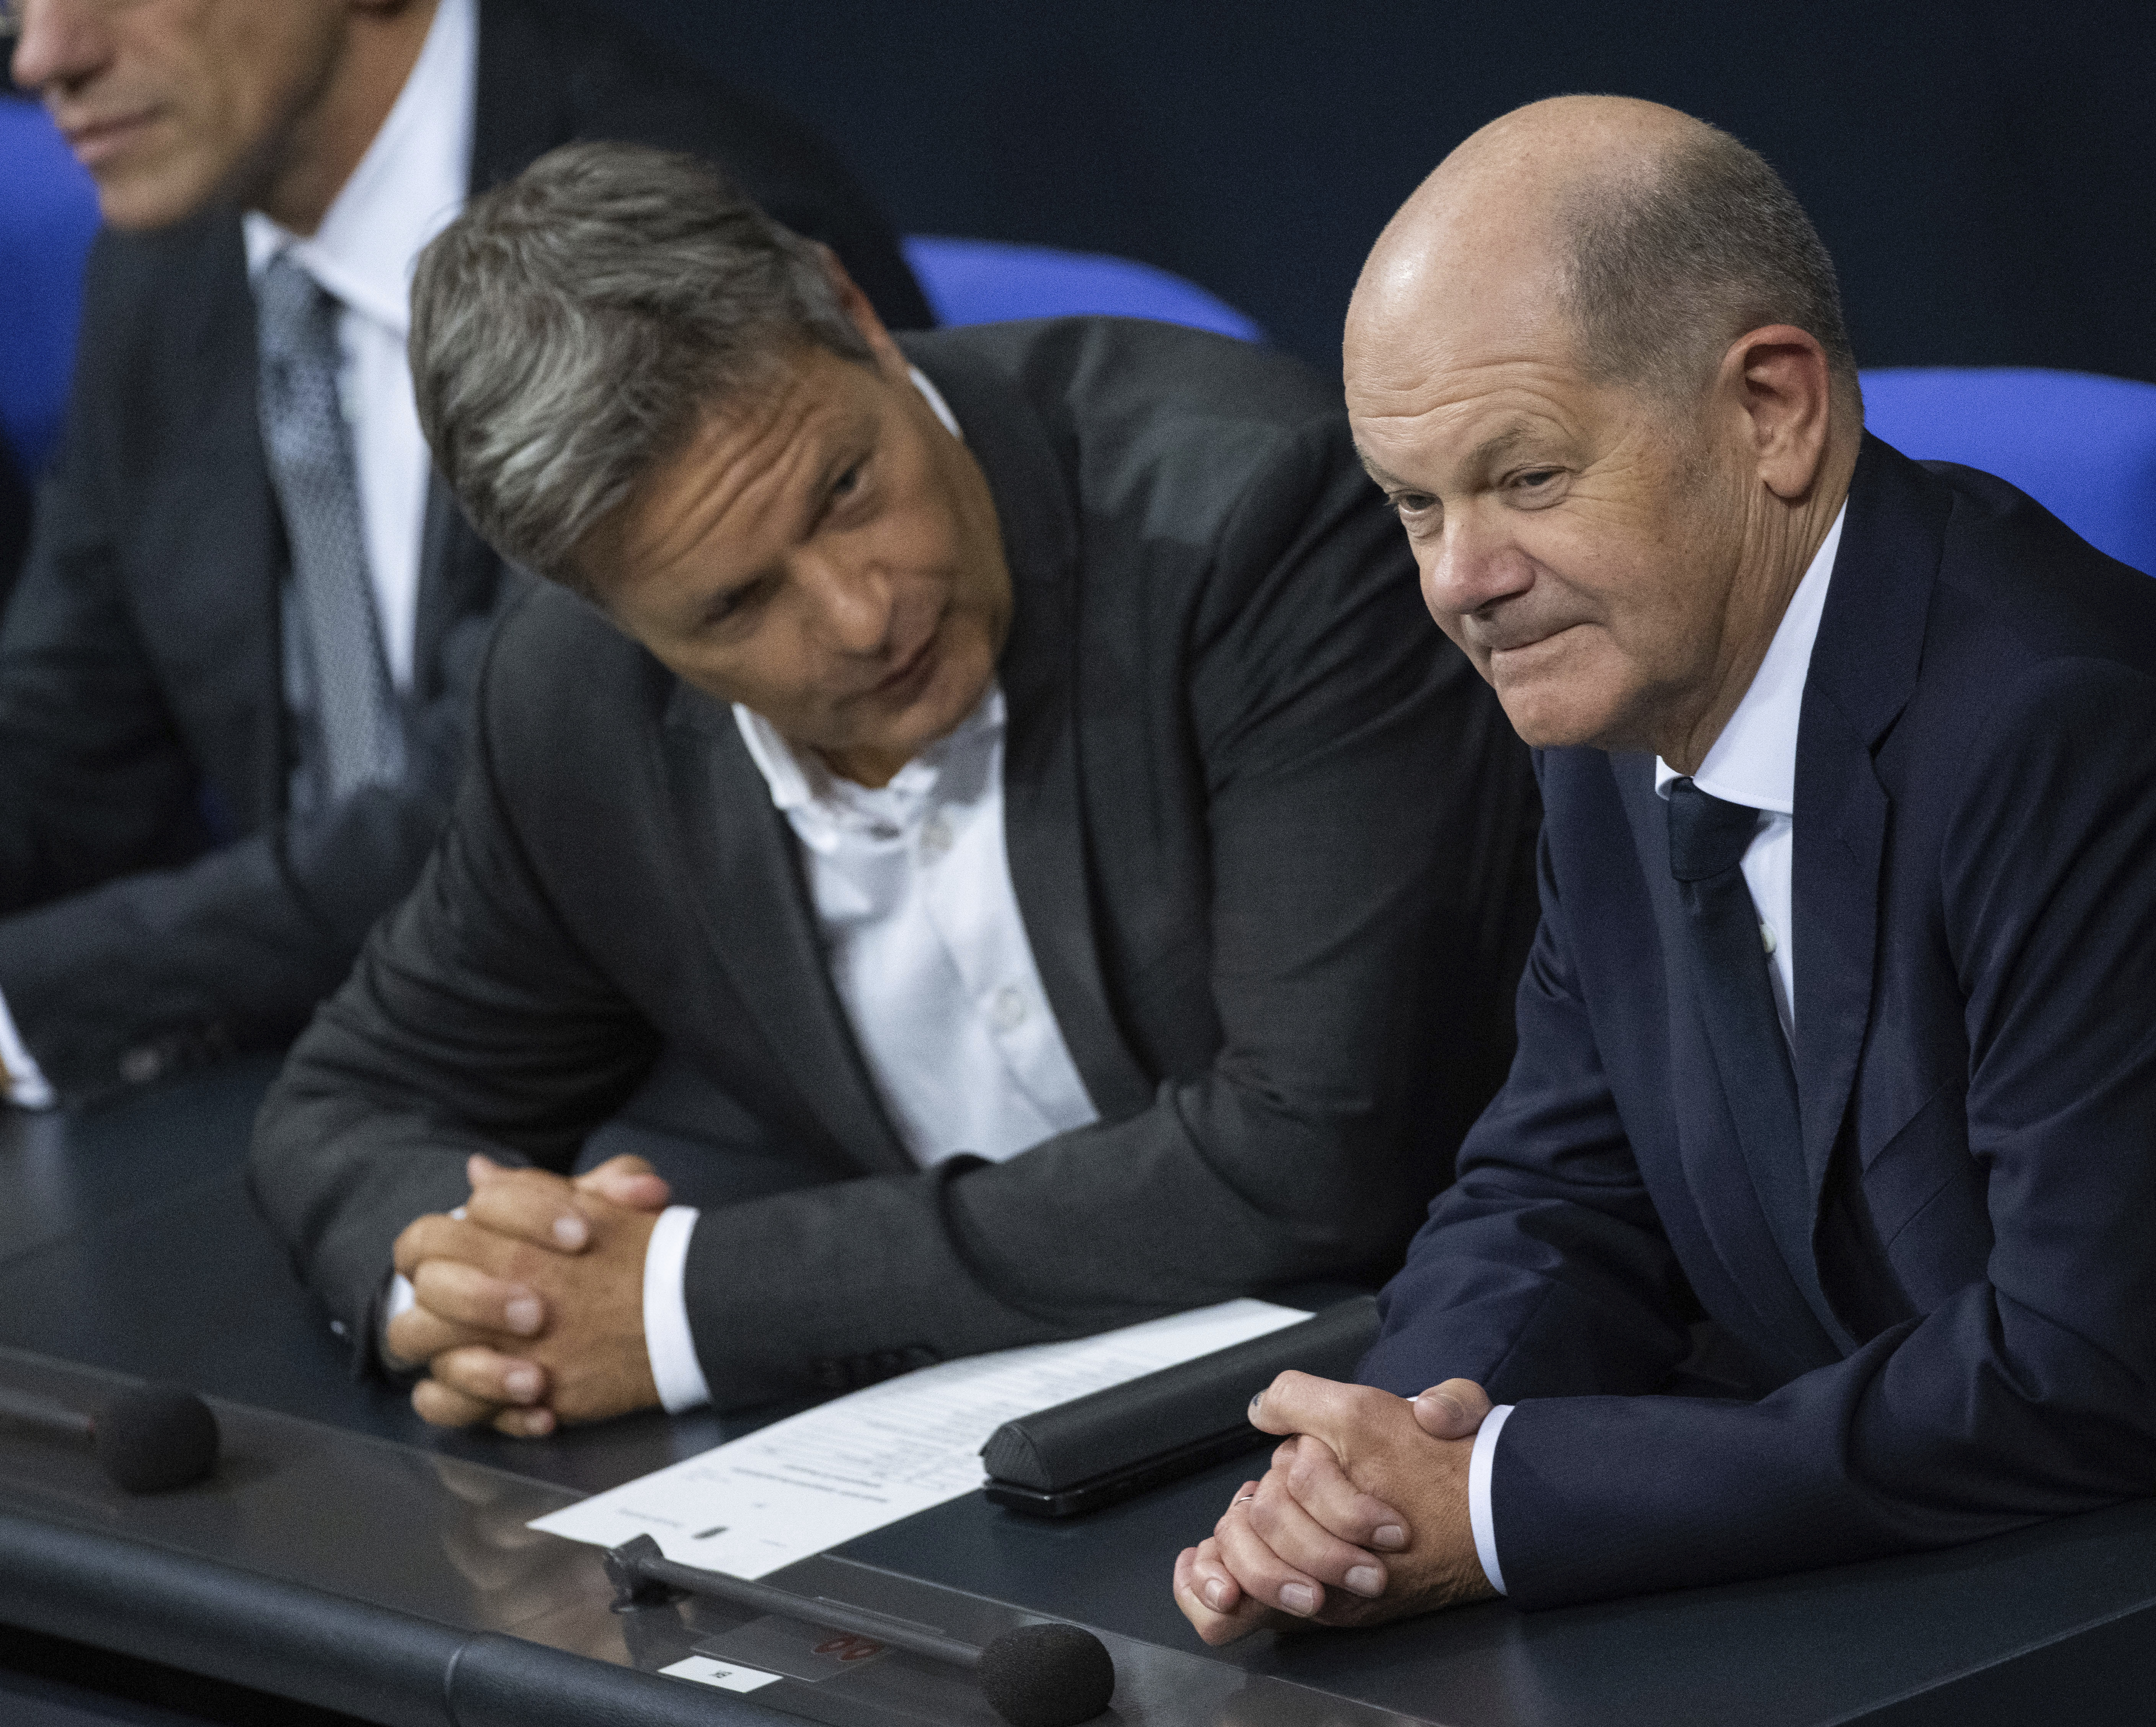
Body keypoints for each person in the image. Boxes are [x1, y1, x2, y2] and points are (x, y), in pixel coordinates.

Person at [1171, 96, 2156, 1727]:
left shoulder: (2077, 737)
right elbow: (1564, 1180)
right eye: (1414, 506)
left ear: (1774, 409)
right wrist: (1386, 1453)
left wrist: (1499, 1502)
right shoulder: (1611, 705)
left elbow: (2078, 1377)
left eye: (1526, 477)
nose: (1458, 579)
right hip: (1991, 1590)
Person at [245, 142, 1536, 1437]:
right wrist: (472, 1291)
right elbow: (358, 1100)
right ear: (606, 608)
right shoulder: (578, 697)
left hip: (1419, 1380)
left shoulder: (1251, 519)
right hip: (973, 1451)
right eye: (737, 602)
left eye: (846, 487)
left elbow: (1313, 1156)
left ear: (854, 314)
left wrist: (681, 1308)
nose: (864, 613)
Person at [0, 0, 927, 1106]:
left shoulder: (666, 217)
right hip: (358, 1065)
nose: (45, 56)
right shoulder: (171, 259)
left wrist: (35, 997)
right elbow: (66, 735)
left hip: (684, 1083)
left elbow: (521, 809)